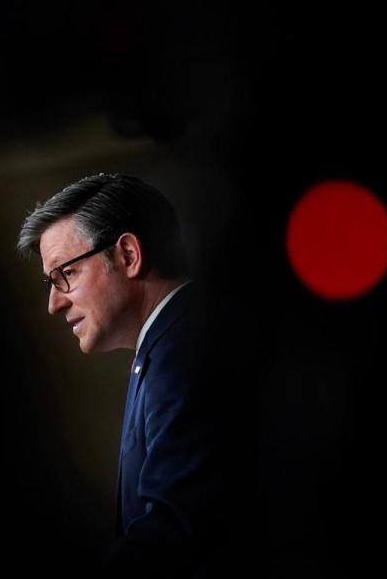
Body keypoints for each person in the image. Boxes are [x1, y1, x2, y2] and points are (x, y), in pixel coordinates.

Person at [17, 173, 252, 577]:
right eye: (49, 283)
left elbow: (176, 530)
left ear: (127, 255)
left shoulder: (185, 349)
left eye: (64, 275)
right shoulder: (169, 344)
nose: (54, 303)